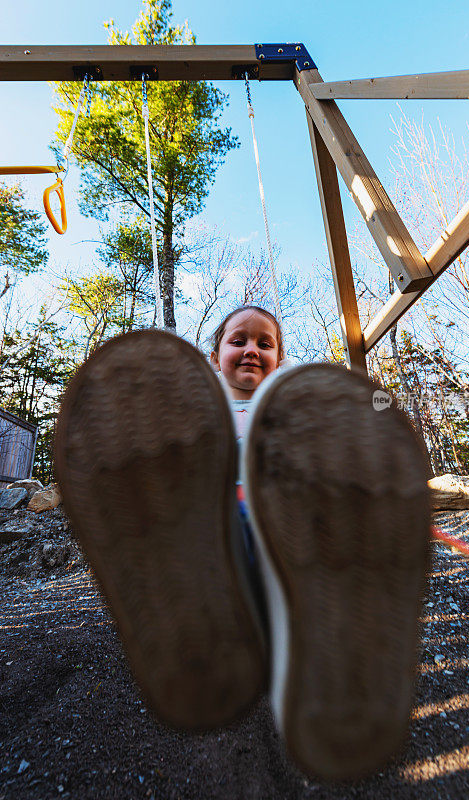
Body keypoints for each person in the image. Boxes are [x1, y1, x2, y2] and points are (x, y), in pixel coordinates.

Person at [54, 305, 431, 782]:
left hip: (291, 536)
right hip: (217, 535)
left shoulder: (296, 406)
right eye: (238, 341)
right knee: (225, 545)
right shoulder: (197, 406)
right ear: (214, 357)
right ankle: (203, 614)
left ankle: (311, 661)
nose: (251, 349)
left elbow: (375, 411)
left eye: (264, 343)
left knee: (296, 567)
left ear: (280, 358)